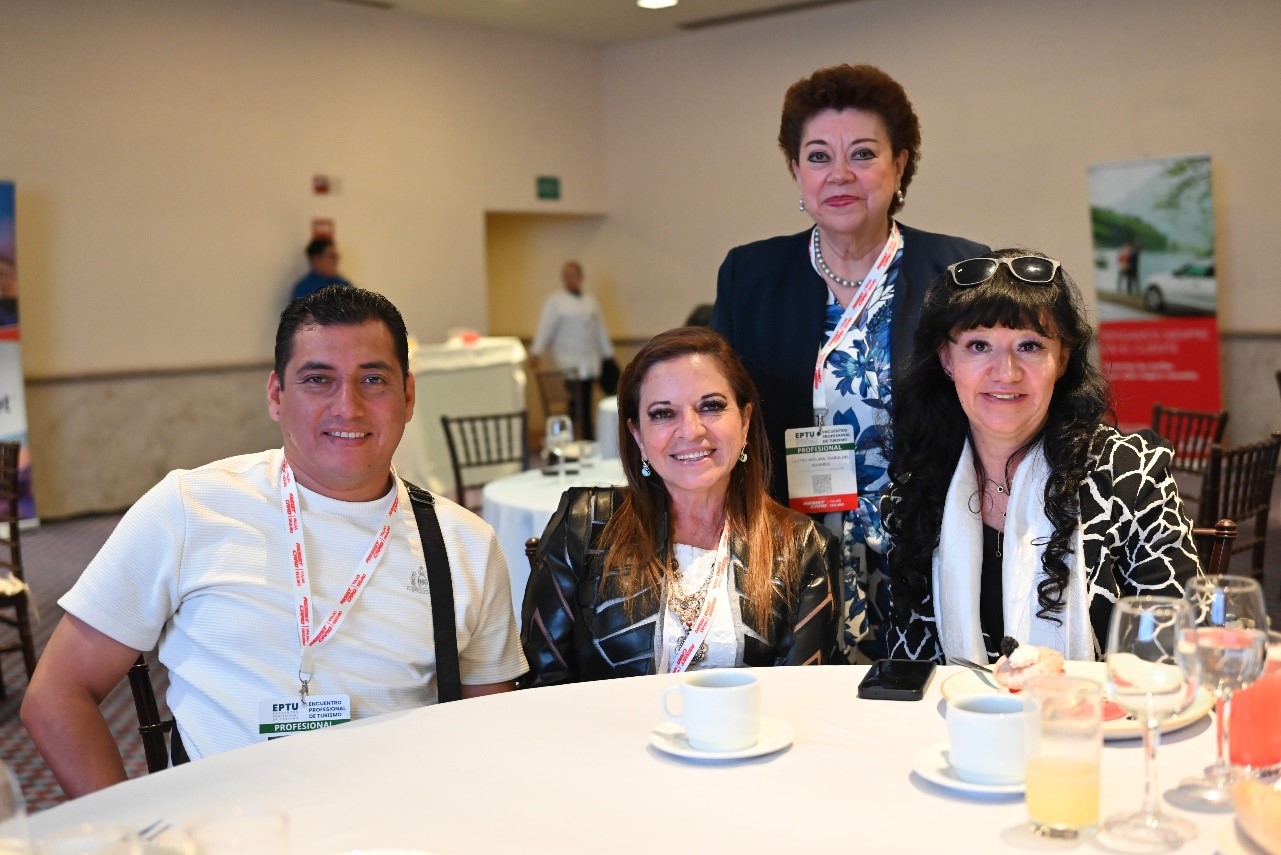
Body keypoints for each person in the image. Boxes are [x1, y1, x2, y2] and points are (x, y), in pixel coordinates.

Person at [22, 286, 527, 797]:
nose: (347, 407)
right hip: (225, 831)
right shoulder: (191, 508)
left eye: (373, 380)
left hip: (396, 823)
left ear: (409, 396)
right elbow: (56, 694)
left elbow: (486, 736)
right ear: (275, 396)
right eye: (317, 380)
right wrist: (132, 838)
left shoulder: (465, 544)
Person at [709, 63, 988, 662]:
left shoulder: (961, 273)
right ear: (795, 170)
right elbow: (721, 408)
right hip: (794, 555)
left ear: (900, 164)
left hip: (931, 549)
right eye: (817, 156)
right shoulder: (750, 276)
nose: (839, 175)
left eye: (862, 154)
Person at [883, 250, 1200, 664]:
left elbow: (1178, 647)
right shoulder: (917, 490)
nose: (1006, 372)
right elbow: (910, 664)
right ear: (947, 359)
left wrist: (1074, 686)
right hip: (960, 725)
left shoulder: (1130, 474)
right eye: (979, 345)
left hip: (1097, 723)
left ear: (1062, 359)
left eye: (1029, 346)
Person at [521, 327, 840, 684]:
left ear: (746, 420)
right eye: (662, 413)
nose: (690, 430)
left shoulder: (803, 545)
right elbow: (542, 690)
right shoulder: (583, 525)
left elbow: (801, 697)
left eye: (712, 406)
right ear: (637, 434)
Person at [529, 260, 614, 439]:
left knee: (585, 403)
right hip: (568, 361)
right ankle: (566, 437)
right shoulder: (556, 302)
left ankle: (580, 438)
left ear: (581, 277)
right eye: (566, 276)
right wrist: (536, 351)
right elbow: (546, 327)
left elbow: (600, 330)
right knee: (577, 403)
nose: (570, 279)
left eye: (573, 275)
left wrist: (608, 354)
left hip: (590, 361)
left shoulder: (590, 301)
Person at [289, 237, 353, 302]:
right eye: (332, 256)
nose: (336, 260)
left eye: (336, 256)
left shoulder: (344, 285)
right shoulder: (304, 289)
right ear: (316, 259)